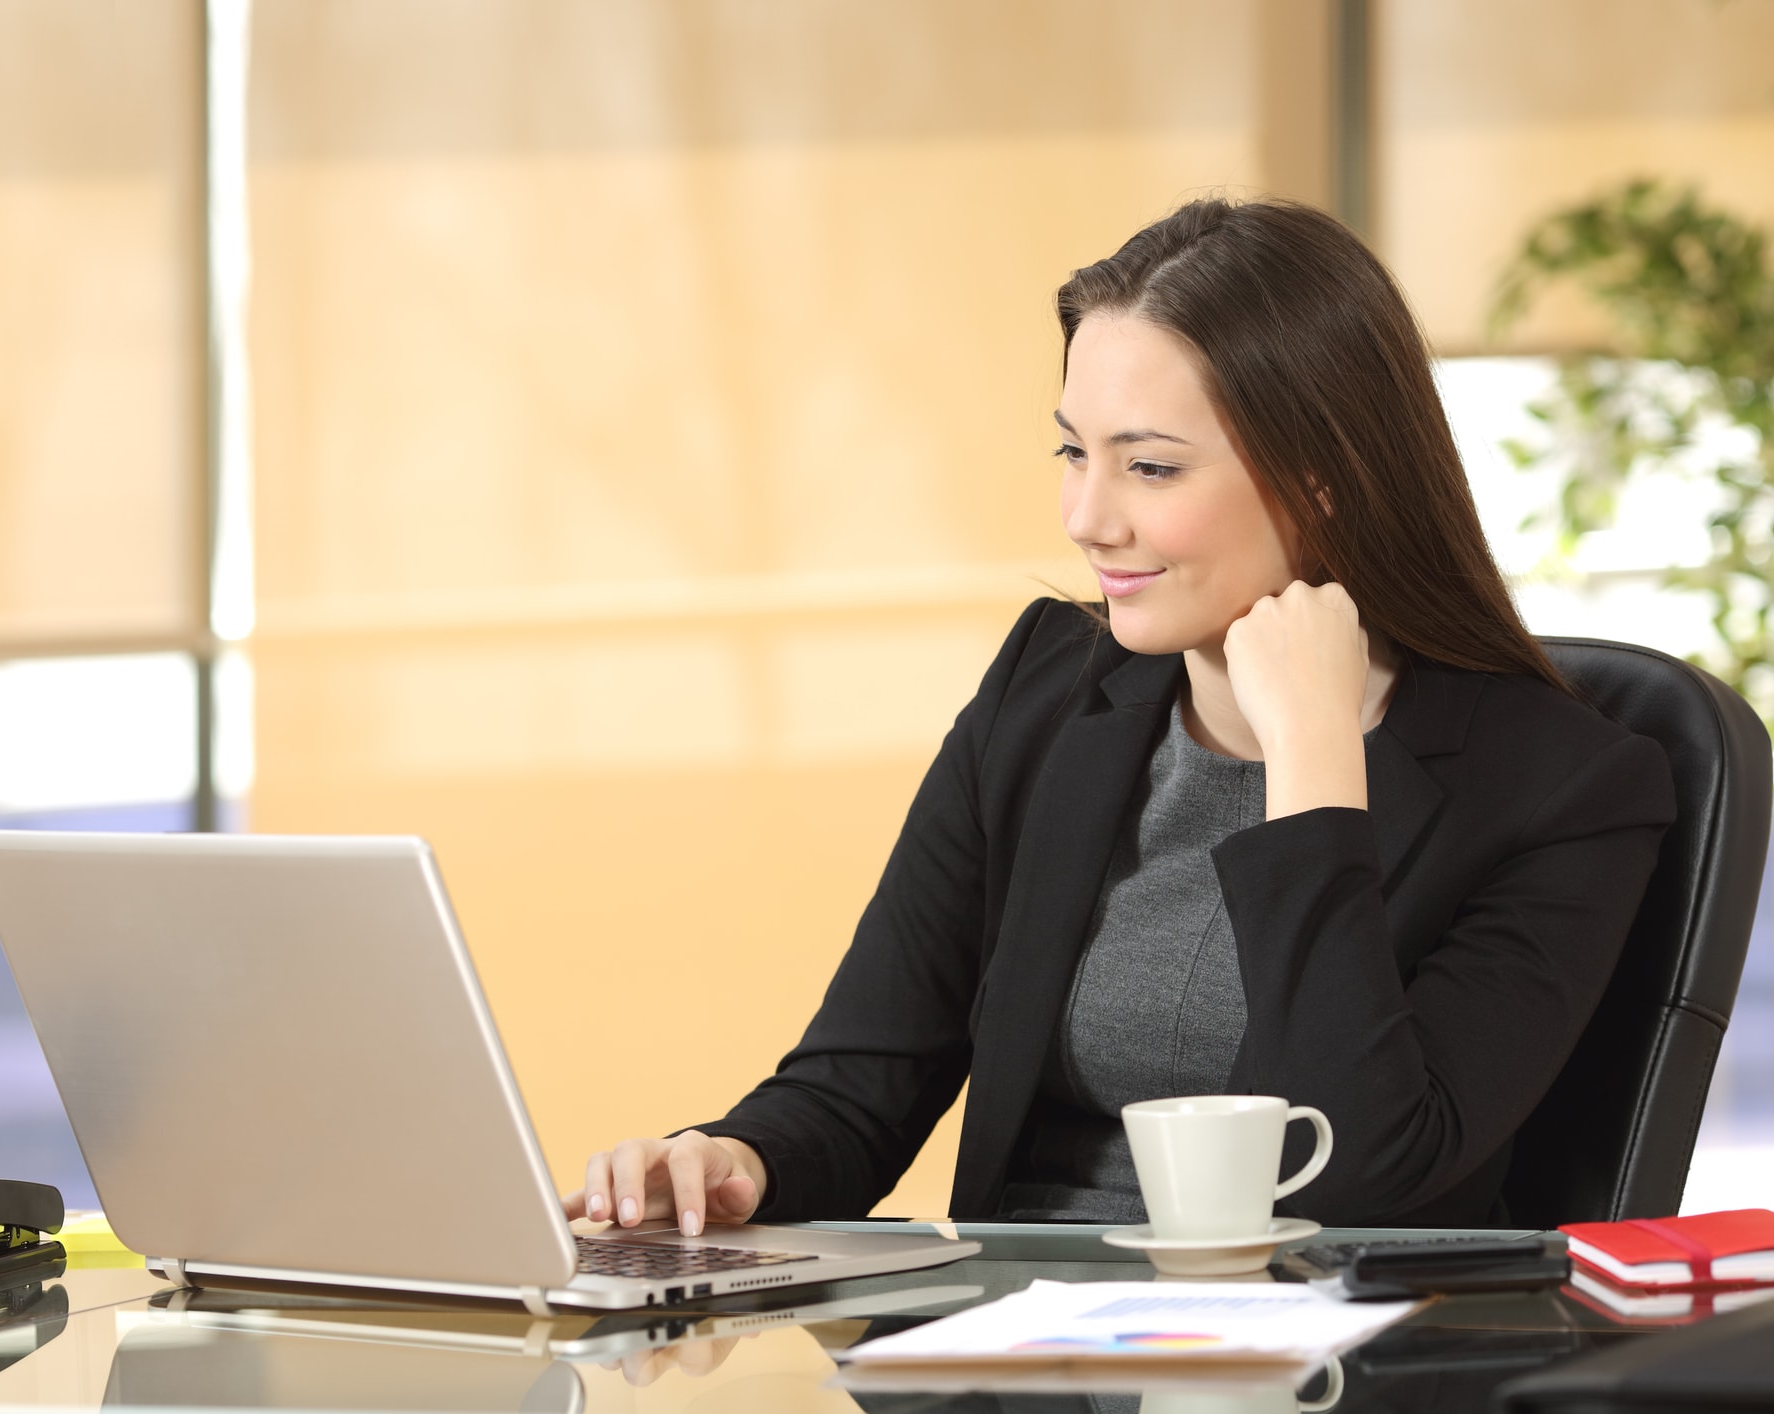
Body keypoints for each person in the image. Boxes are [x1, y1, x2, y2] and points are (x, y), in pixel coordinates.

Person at [564, 198, 1678, 1234]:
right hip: (1010, 1357)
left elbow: (1354, 1179)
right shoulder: (1046, 693)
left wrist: (1314, 758)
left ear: (1325, 475)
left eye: (1148, 466)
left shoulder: (1564, 790)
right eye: (1072, 452)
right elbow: (860, 1085)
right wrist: (737, 1158)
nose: (1088, 519)